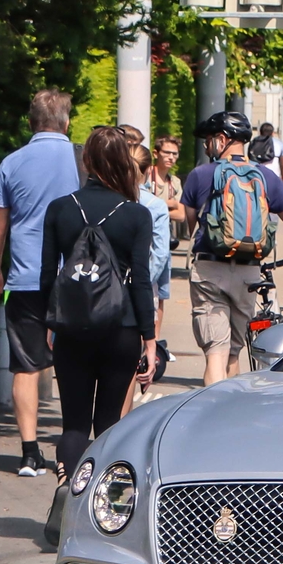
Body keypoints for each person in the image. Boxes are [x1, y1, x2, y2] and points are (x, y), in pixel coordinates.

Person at [39, 126, 157, 497]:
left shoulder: (59, 209)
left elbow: (47, 275)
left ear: (86, 161)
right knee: (109, 423)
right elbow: (141, 280)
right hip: (120, 328)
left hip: (72, 329)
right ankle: (98, 505)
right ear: (124, 162)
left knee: (74, 424)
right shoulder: (136, 215)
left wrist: (50, 322)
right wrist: (149, 338)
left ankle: (67, 490)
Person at [0, 90, 80, 478]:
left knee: (26, 365)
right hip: (76, 279)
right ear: (66, 122)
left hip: (25, 277)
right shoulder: (81, 160)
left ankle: (28, 452)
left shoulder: (11, 163)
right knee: (74, 361)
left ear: (31, 123)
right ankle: (74, 449)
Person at [181, 111, 283, 384]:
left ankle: (211, 416)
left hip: (209, 271)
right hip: (249, 273)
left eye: (208, 140)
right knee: (233, 354)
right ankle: (230, 414)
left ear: (222, 140)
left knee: (216, 352)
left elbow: (189, 227)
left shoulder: (200, 175)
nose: (206, 146)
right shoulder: (266, 177)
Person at [121, 130, 173, 408]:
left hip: (103, 289)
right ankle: (118, 422)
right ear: (146, 170)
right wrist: (145, 283)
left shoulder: (111, 200)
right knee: (130, 363)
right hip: (141, 290)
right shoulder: (154, 206)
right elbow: (160, 254)